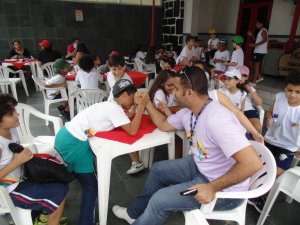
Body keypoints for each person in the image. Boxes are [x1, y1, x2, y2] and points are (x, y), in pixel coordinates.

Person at [112, 66, 262, 225]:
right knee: (158, 170)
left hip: (224, 190)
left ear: (189, 92)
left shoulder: (217, 119)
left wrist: (212, 187)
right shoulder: (189, 112)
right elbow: (163, 124)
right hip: (201, 165)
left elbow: (253, 163)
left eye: (176, 88)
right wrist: (147, 104)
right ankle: (133, 213)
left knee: (160, 200)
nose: (172, 92)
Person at [54, 79, 148, 225]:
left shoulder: (109, 106)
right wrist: (142, 106)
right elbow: (133, 130)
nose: (134, 99)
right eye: (132, 97)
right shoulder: (114, 109)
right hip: (75, 143)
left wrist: (135, 106)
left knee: (64, 176)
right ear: (123, 95)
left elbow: (126, 118)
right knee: (91, 185)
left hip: (66, 136)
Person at [0, 94, 68, 225]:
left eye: (14, 110)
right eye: (10, 113)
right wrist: (16, 162)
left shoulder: (11, 131)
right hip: (9, 192)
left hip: (21, 179)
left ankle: (44, 216)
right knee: (59, 191)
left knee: (59, 179)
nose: (17, 115)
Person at [107, 54, 145, 174]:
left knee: (128, 131)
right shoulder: (109, 75)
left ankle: (136, 162)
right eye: (114, 69)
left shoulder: (128, 79)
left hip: (123, 107)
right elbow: (115, 91)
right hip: (113, 104)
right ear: (109, 68)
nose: (117, 72)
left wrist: (132, 111)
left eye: (119, 68)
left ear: (124, 67)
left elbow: (132, 95)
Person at [264, 72, 300, 176]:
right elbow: (269, 112)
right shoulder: (280, 97)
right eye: (289, 90)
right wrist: (269, 118)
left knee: (273, 173)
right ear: (285, 88)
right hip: (270, 140)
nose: (292, 95)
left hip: (288, 146)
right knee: (258, 167)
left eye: (298, 92)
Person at [238, 66, 263, 134]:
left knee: (257, 128)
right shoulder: (230, 84)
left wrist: (250, 90)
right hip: (235, 108)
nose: (241, 77)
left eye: (244, 76)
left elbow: (260, 103)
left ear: (247, 77)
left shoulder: (250, 87)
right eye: (240, 75)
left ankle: (252, 143)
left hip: (248, 109)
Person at [247, 19, 268, 85]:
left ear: (262, 24)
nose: (256, 25)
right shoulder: (261, 31)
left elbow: (265, 40)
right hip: (257, 51)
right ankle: (258, 76)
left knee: (256, 66)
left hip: (260, 51)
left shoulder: (263, 30)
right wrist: (251, 35)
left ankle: (254, 81)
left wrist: (254, 45)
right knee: (250, 62)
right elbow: (257, 40)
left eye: (257, 24)